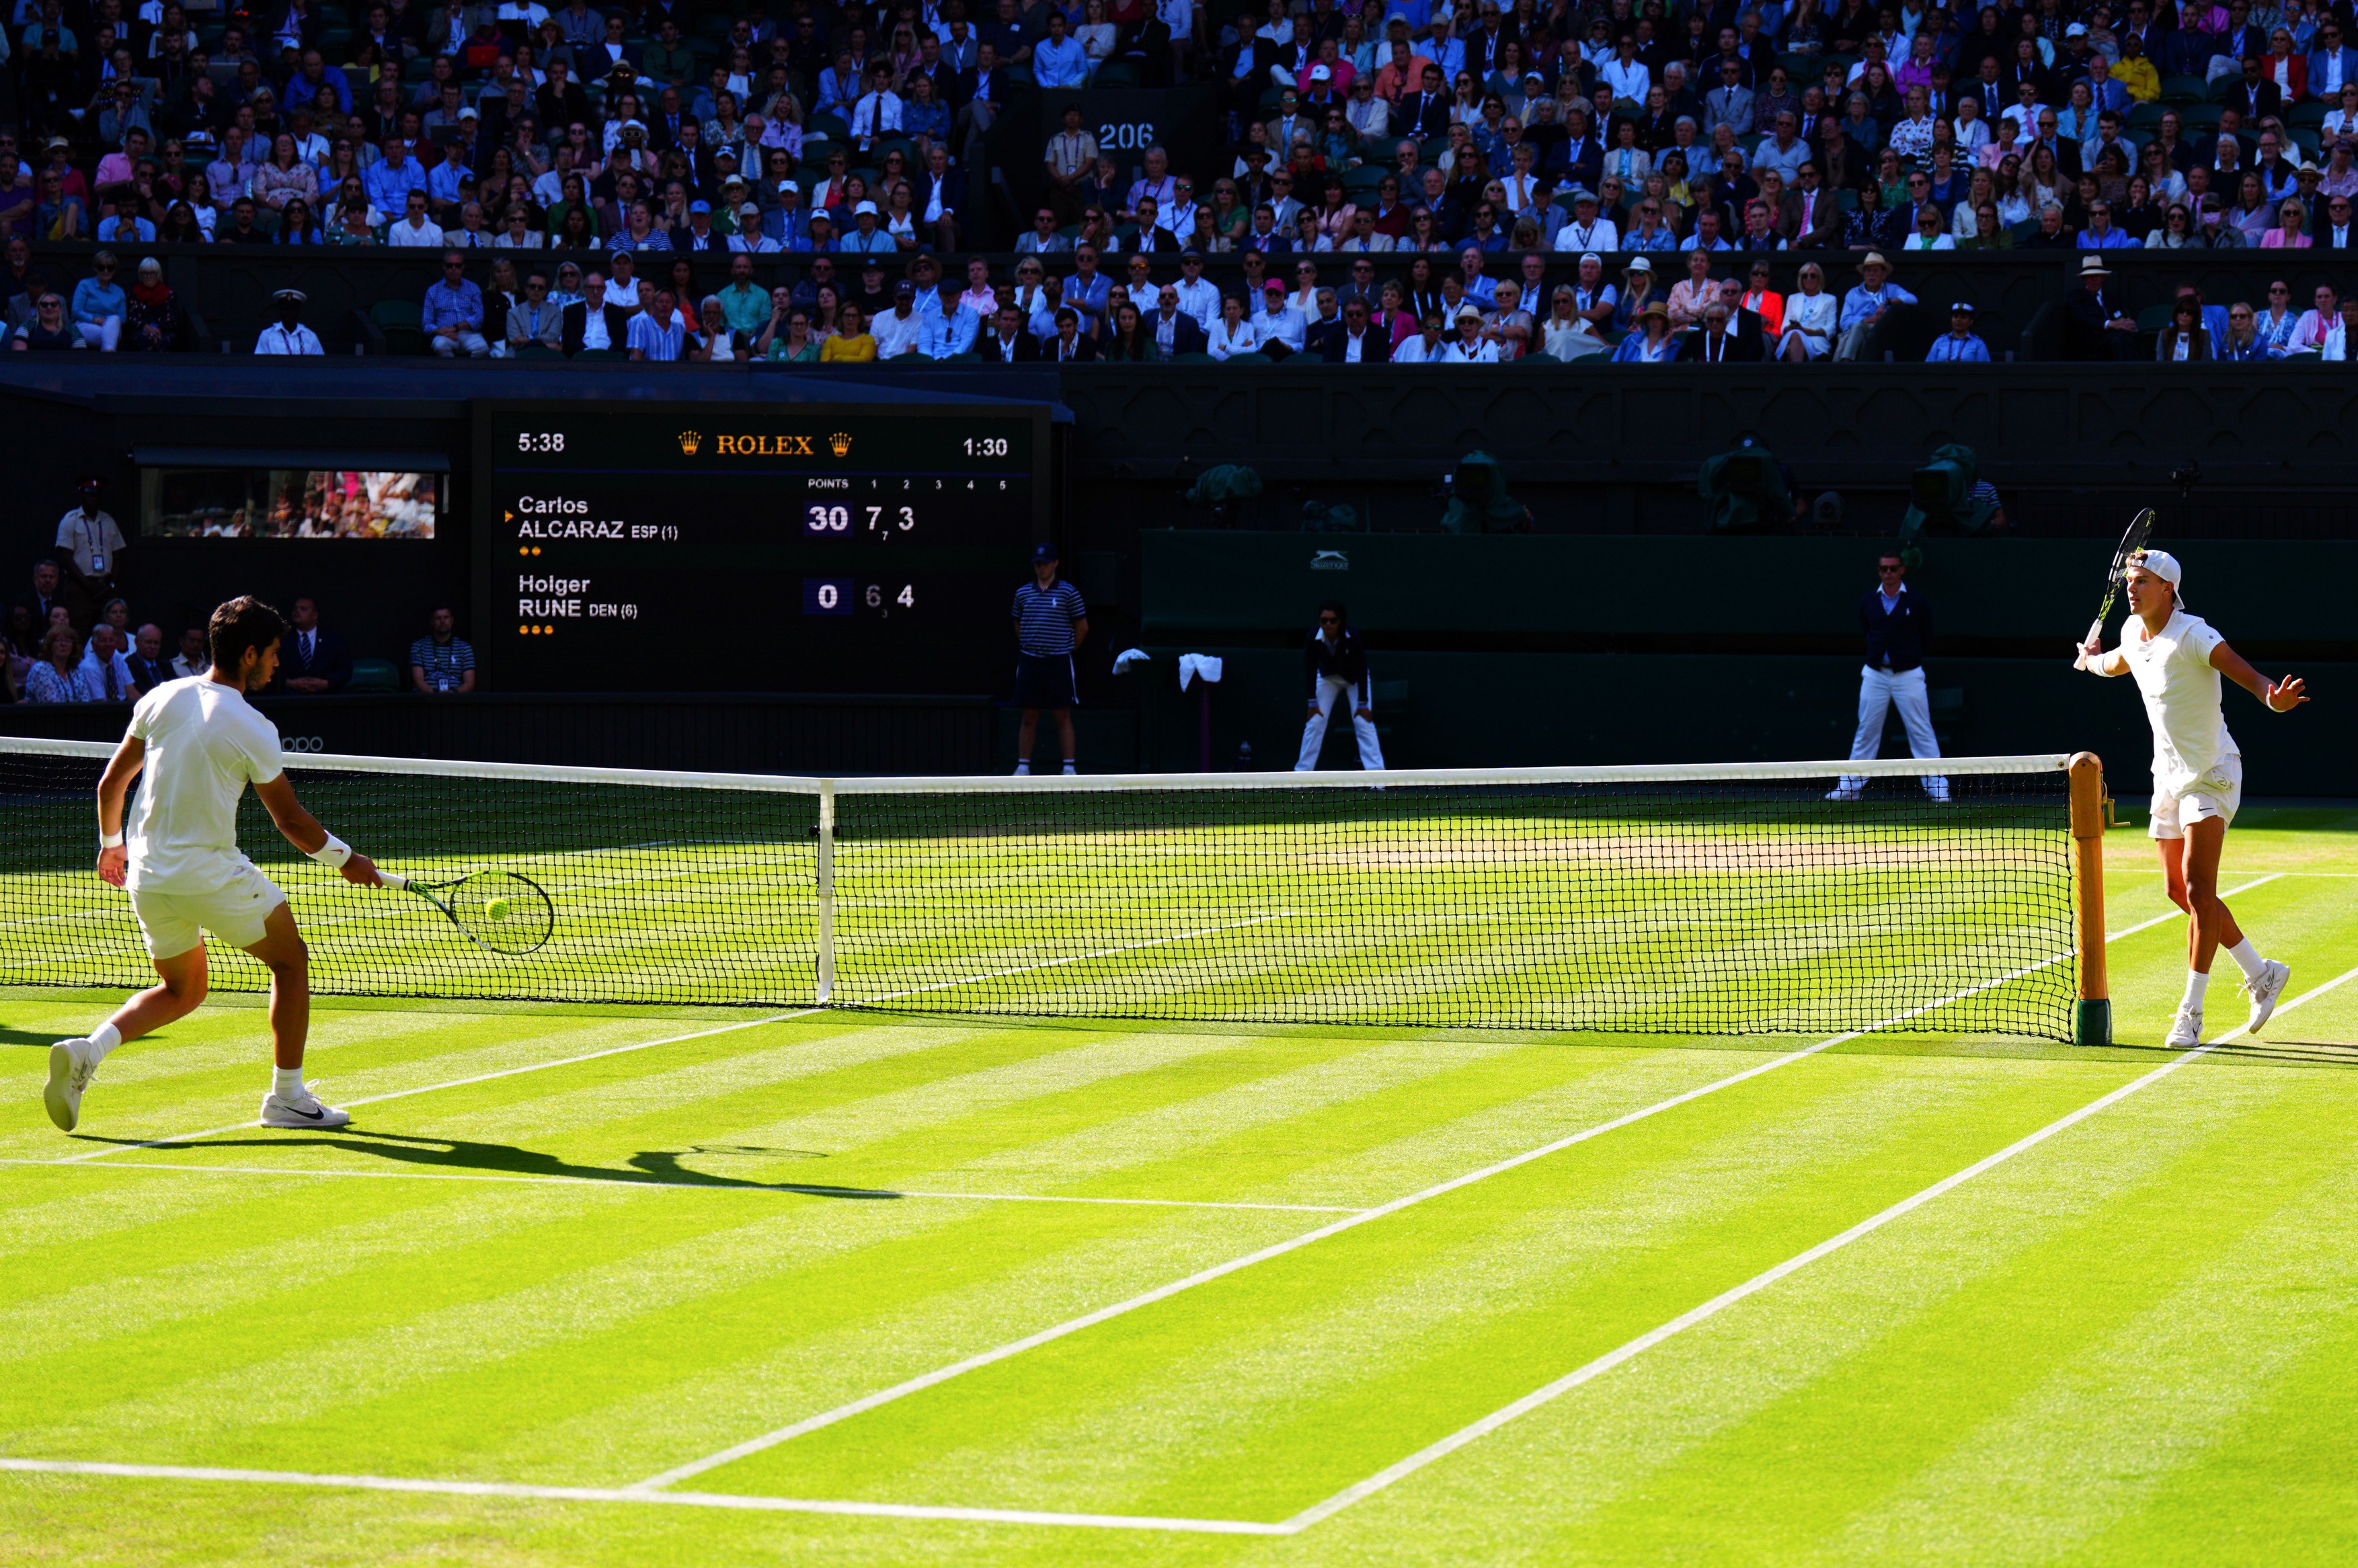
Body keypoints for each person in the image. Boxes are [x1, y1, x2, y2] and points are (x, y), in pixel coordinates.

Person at [44, 596, 383, 1134]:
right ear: (249, 654)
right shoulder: (254, 726)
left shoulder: (162, 697)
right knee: (291, 961)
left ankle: (89, 1050)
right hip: (208, 873)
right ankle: (288, 1098)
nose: (277, 663)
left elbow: (112, 784)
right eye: (272, 653)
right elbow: (291, 822)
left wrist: (112, 845)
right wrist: (348, 859)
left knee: (185, 990)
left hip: (148, 877)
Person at [2074, 551, 2305, 1048]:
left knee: (2200, 887)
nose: (2130, 589)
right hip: (2168, 778)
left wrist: (2273, 698)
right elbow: (2114, 665)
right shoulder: (2132, 636)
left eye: (2141, 582)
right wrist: (2088, 659)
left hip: (2212, 774)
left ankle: (2191, 1013)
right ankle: (2261, 973)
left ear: (2167, 588)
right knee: (2178, 892)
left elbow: (2248, 676)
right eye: (2128, 581)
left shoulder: (2196, 634)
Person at [1828, 552, 1949, 803]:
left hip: (1909, 675)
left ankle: (1937, 786)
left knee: (1922, 731)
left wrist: (1906, 659)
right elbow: (1867, 631)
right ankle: (1849, 787)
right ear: (1879, 571)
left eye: (1893, 569)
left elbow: (1926, 636)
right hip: (1875, 675)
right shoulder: (1868, 602)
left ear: (1902, 570)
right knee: (1866, 731)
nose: (1889, 573)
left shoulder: (1917, 602)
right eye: (1884, 569)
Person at [1011, 542, 1087, 775]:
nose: (1041, 568)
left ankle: (1069, 768)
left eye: (1045, 563)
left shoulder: (1068, 592)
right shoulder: (1023, 593)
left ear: (1055, 564)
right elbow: (1018, 623)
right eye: (1037, 564)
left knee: (1062, 715)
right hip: (1030, 661)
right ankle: (1023, 766)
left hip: (1058, 662)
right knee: (1029, 714)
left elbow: (1082, 627)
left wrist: (1065, 648)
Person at [1296, 600, 1384, 771]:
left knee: (1363, 722)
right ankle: (1301, 776)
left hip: (1355, 680)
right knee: (1315, 722)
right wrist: (1312, 702)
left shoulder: (1353, 637)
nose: (1328, 624)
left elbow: (1361, 668)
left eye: (1333, 620)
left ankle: (1377, 778)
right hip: (1328, 678)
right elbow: (1310, 669)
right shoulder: (1312, 638)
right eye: (1324, 621)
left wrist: (1363, 703)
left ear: (1341, 621)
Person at [56, 478, 126, 611]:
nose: (94, 499)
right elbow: (65, 556)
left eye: (97, 495)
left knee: (107, 629)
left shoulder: (108, 521)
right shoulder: (69, 521)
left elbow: (118, 554)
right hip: (80, 586)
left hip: (105, 585)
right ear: (82, 495)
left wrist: (111, 584)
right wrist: (87, 585)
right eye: (90, 495)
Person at [276, 596, 351, 694]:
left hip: (328, 696)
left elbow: (345, 669)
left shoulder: (333, 639)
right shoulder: (283, 639)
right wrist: (289, 683)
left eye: (303, 609)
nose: (297, 611)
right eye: (295, 608)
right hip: (291, 698)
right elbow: (275, 670)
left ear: (315, 615)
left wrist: (326, 683)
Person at [409, 606, 476, 693]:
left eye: (446, 617)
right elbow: (418, 679)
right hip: (426, 699)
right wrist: (433, 695)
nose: (442, 621)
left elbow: (470, 683)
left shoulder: (465, 648)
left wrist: (452, 694)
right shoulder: (419, 646)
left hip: (455, 700)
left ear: (452, 621)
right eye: (438, 618)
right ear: (432, 622)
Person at [254, 287, 325, 354]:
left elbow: (320, 364)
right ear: (279, 311)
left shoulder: (310, 336)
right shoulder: (267, 335)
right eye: (285, 309)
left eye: (293, 309)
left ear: (299, 311)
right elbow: (259, 364)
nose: (288, 313)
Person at [1926, 300, 1992, 362]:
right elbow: (1928, 366)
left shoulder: (1978, 343)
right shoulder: (1940, 341)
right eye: (1955, 316)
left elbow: (1984, 370)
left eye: (1963, 317)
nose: (1958, 320)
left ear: (1970, 322)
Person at [126, 624, 173, 693]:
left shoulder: (166, 666)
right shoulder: (129, 665)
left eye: (156, 643)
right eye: (149, 642)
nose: (153, 647)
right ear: (137, 642)